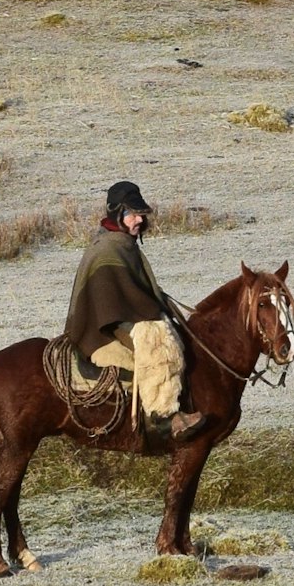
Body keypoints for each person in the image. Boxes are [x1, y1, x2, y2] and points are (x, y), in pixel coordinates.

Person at [62, 180, 194, 434]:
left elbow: (133, 293)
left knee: (168, 331)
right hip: (101, 331)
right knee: (159, 347)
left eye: (140, 215)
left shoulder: (122, 243)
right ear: (117, 214)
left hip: (120, 320)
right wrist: (146, 324)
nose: (139, 221)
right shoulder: (107, 249)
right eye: (133, 215)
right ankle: (162, 416)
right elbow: (108, 304)